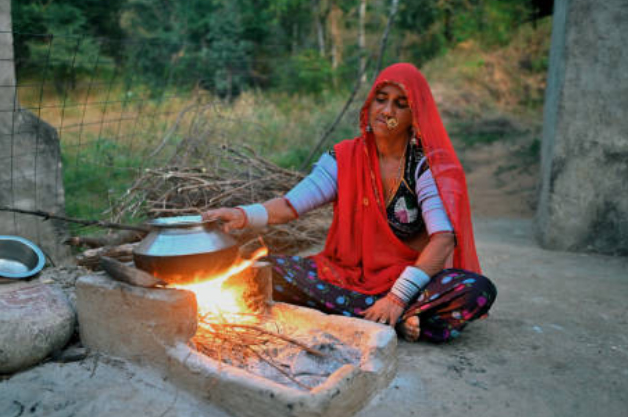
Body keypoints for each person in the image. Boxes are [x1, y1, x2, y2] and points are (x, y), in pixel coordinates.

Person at [203, 63, 496, 342]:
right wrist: (242, 215)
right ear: (370, 104)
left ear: (414, 114)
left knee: (476, 290)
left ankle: (386, 312)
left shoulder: (424, 166)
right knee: (262, 269)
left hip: (407, 280)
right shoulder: (344, 158)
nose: (386, 111)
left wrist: (397, 297)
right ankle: (401, 319)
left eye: (399, 104)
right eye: (380, 100)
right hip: (344, 276)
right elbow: (291, 206)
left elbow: (443, 240)